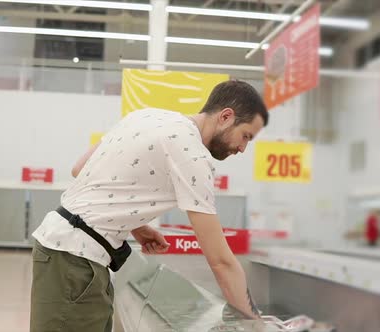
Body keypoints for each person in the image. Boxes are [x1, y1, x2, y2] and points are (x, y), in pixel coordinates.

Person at [29, 80, 269, 332]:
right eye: (246, 136)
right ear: (226, 117)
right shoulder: (193, 157)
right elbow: (221, 261)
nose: (243, 148)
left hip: (70, 253)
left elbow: (80, 169)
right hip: (74, 261)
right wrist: (253, 324)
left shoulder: (147, 116)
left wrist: (137, 225)